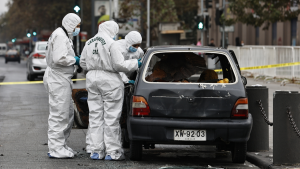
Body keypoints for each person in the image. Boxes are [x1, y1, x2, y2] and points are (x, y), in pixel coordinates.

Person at [80, 21, 142, 161]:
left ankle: (96, 151)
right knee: (111, 118)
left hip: (92, 79)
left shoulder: (89, 42)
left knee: (95, 117)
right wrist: (135, 64)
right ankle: (112, 152)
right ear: (112, 30)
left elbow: (83, 63)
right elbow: (119, 64)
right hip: (110, 80)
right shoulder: (112, 43)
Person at [43, 13, 81, 158]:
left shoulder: (63, 35)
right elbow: (59, 58)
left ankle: (61, 145)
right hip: (58, 78)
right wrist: (74, 60)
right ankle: (56, 148)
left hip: (62, 78)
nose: (78, 28)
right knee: (59, 114)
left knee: (68, 113)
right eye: (77, 25)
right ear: (71, 24)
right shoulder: (60, 35)